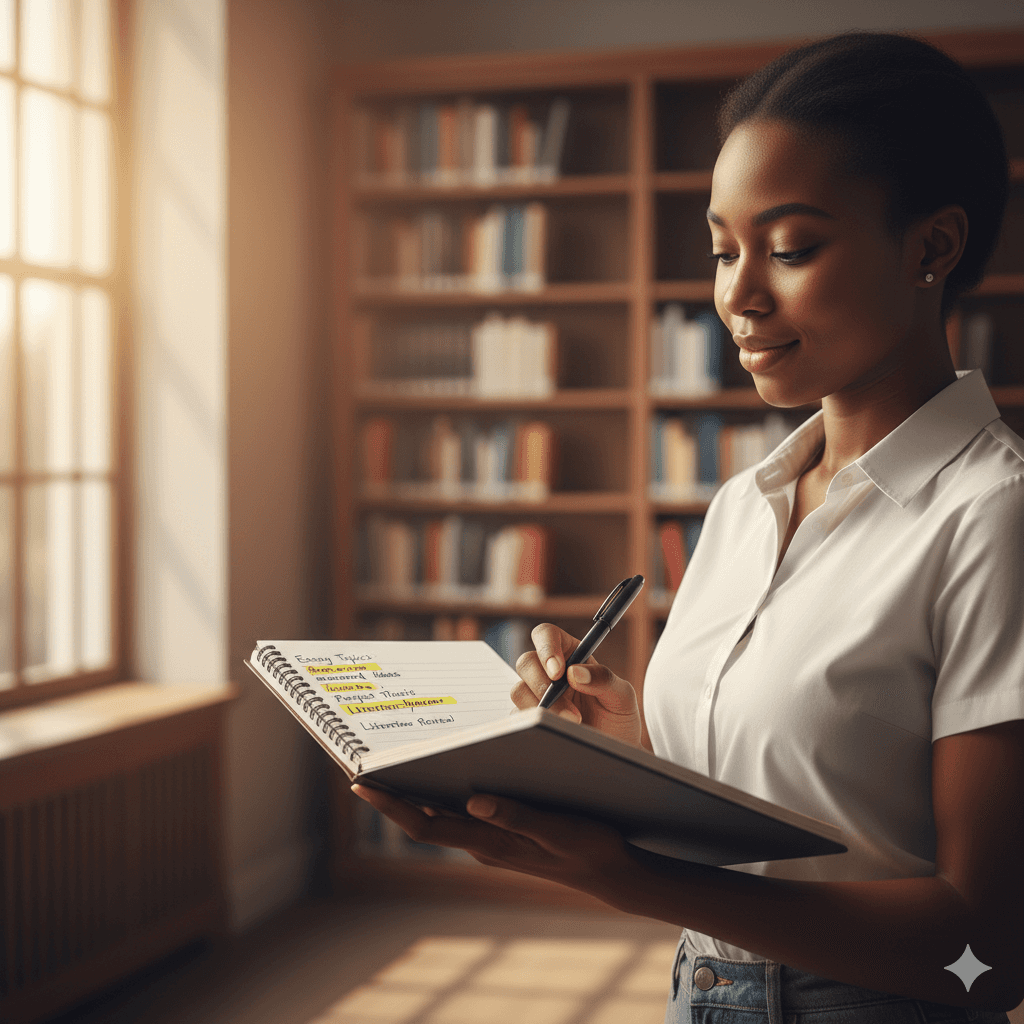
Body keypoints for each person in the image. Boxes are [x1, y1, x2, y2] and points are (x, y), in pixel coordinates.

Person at [353, 31, 1024, 1024]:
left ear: (931, 247)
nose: (737, 296)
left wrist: (625, 878)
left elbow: (985, 952)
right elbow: (773, 809)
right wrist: (622, 752)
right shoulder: (740, 504)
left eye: (789, 248)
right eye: (721, 249)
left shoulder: (992, 517)